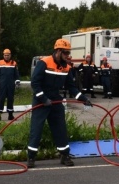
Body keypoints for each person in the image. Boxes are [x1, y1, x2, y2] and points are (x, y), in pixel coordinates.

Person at [28, 39, 91, 168]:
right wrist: (43, 99)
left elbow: (71, 87)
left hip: (56, 100)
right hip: (41, 101)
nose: (68, 56)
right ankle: (31, 157)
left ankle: (64, 155)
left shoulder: (66, 67)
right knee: (36, 129)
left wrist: (83, 98)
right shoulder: (44, 63)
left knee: (60, 129)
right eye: (66, 53)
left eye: (68, 53)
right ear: (58, 51)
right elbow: (35, 83)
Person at [0, 48, 20, 120]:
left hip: (11, 85)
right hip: (2, 85)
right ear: (3, 55)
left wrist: (17, 82)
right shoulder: (0, 63)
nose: (6, 56)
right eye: (5, 55)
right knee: (1, 99)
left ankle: (10, 115)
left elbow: (16, 74)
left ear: (10, 55)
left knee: (10, 100)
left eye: (8, 55)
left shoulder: (13, 63)